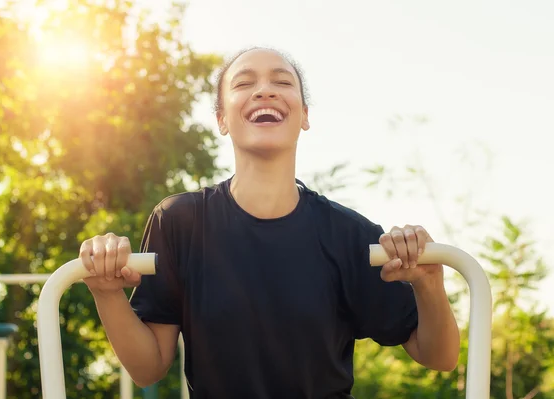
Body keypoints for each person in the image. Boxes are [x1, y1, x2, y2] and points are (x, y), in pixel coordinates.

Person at [78, 47, 460, 399]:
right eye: (245, 83)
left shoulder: (351, 235)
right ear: (222, 119)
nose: (265, 91)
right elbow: (147, 369)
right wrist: (107, 293)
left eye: (281, 81)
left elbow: (439, 355)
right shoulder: (179, 221)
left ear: (305, 115)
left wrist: (429, 283)